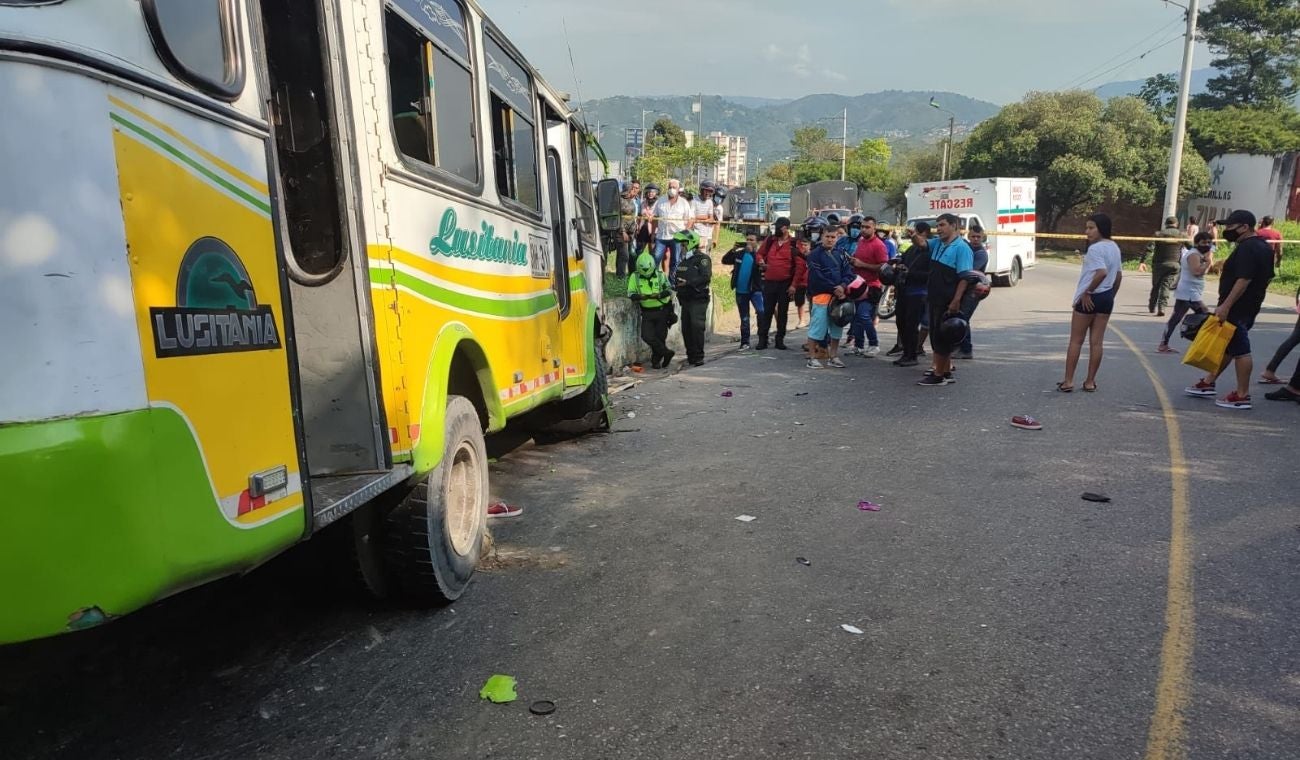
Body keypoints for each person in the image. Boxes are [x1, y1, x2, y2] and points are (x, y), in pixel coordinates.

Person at [1185, 210, 1276, 409]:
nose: (1227, 231)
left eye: (1230, 227)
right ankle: (1208, 382)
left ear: (1244, 227)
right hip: (1250, 305)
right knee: (1228, 346)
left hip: (1237, 307)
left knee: (1241, 350)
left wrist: (1226, 305)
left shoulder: (1247, 248)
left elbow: (1243, 279)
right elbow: (1268, 277)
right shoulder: (1263, 247)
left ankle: (1242, 394)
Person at [1058, 213, 1123, 393]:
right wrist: (1111, 295)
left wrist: (1088, 291)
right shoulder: (1115, 247)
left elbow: (1101, 272)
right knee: (1097, 342)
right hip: (1106, 297)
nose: (1087, 231)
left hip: (1090, 296)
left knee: (1076, 341)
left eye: (1091, 227)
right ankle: (1090, 381)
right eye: (1087, 227)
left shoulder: (1095, 249)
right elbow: (1117, 275)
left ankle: (1069, 380)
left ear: (1101, 228)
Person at [918, 214, 974, 386]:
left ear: (954, 225)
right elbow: (921, 244)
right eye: (937, 225)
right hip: (935, 298)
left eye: (942, 225)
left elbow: (964, 278)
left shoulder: (962, 248)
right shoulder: (938, 243)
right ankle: (946, 371)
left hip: (948, 300)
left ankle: (938, 375)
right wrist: (914, 236)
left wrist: (956, 300)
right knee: (938, 335)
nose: (939, 229)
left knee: (942, 337)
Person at [805, 224, 854, 369]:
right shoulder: (814, 254)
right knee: (817, 328)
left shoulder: (841, 253)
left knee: (837, 327)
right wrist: (835, 288)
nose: (830, 240)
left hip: (839, 297)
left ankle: (834, 356)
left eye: (833, 237)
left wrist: (843, 286)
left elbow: (849, 273)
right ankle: (812, 358)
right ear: (822, 237)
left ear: (837, 237)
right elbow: (817, 276)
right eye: (827, 237)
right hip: (821, 295)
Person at [1156, 233, 1213, 354]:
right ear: (1197, 243)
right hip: (1189, 292)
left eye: (1209, 242)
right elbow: (1196, 271)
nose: (1207, 245)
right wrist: (1208, 262)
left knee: (1176, 318)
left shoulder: (1198, 254)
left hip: (1189, 290)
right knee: (1206, 317)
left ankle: (1164, 344)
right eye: (1204, 242)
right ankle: (1203, 345)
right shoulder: (1193, 255)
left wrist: (1207, 261)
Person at [846, 216, 889, 357]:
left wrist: (862, 264)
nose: (863, 229)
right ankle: (858, 345)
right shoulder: (861, 241)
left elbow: (884, 268)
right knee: (856, 317)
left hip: (872, 286)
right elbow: (859, 261)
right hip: (857, 285)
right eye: (862, 227)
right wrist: (853, 262)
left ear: (874, 228)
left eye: (867, 227)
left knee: (864, 315)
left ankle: (873, 344)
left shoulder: (879, 245)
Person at [755, 217, 799, 350]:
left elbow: (800, 266)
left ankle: (780, 339)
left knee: (782, 312)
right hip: (769, 282)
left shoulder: (794, 244)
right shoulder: (770, 241)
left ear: (786, 228)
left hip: (785, 283)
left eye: (779, 227)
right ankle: (763, 339)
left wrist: (794, 285)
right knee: (766, 311)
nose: (776, 229)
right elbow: (759, 254)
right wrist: (761, 262)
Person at [891, 224, 931, 366]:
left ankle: (912, 355)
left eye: (917, 234)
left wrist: (911, 273)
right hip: (904, 290)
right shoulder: (911, 249)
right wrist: (900, 266)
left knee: (911, 325)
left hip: (919, 292)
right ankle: (906, 352)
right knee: (901, 322)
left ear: (925, 234)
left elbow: (930, 275)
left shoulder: (930, 252)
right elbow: (902, 261)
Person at [627, 250, 675, 368]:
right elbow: (630, 293)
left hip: (662, 310)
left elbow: (669, 289)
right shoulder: (635, 276)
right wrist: (640, 296)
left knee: (660, 337)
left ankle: (656, 361)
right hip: (647, 312)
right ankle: (666, 353)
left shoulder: (660, 274)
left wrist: (658, 295)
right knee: (647, 336)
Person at [673, 229, 712, 367]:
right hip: (686, 300)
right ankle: (691, 356)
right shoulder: (683, 262)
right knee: (686, 329)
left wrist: (688, 283)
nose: (682, 247)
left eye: (683, 244)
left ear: (690, 243)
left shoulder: (702, 259)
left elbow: (705, 277)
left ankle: (698, 357)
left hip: (698, 299)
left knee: (697, 327)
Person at [722, 232, 765, 350]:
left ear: (757, 242)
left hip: (755, 290)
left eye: (752, 240)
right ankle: (745, 342)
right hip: (741, 291)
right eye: (747, 239)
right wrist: (733, 249)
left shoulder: (758, 256)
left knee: (761, 312)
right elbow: (725, 260)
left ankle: (763, 338)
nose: (749, 242)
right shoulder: (739, 254)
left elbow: (765, 268)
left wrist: (762, 265)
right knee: (744, 317)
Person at [953, 224, 989, 360]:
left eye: (978, 237)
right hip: (965, 288)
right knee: (958, 317)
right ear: (968, 236)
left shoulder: (981, 254)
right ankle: (958, 346)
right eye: (973, 236)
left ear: (982, 237)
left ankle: (966, 349)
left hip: (975, 290)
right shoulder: (966, 247)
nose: (975, 239)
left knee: (963, 318)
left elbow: (968, 272)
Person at [1139, 216, 1184, 317]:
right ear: (1176, 224)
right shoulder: (1181, 235)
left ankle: (1152, 306)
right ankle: (1162, 307)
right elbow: (1192, 247)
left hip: (1159, 265)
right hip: (1174, 264)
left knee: (1156, 286)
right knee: (1166, 286)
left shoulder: (1158, 234)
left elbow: (1149, 249)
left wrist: (1143, 262)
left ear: (1166, 224)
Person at [652, 179, 694, 275]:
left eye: (674, 187)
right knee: (656, 259)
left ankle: (672, 283)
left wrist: (685, 233)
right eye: (670, 187)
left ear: (678, 189)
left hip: (677, 237)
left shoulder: (684, 203)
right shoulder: (660, 200)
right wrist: (653, 233)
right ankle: (654, 280)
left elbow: (691, 219)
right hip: (661, 236)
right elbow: (655, 217)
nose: (671, 189)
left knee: (675, 261)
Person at [612, 180, 641, 278]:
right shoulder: (619, 200)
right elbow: (617, 217)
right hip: (621, 232)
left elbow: (632, 216)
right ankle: (621, 276)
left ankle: (621, 274)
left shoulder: (631, 200)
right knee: (624, 255)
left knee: (624, 254)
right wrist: (623, 232)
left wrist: (634, 229)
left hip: (630, 233)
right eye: (631, 189)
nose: (633, 191)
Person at [692, 181, 719, 254]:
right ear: (701, 190)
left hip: (705, 234)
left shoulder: (710, 202)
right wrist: (705, 218)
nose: (708, 193)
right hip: (694, 232)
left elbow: (711, 219)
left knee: (704, 257)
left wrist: (698, 219)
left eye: (710, 191)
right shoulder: (694, 200)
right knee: (692, 256)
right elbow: (691, 217)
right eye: (706, 190)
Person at [792, 232, 811, 333]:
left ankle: (813, 320)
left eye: (806, 245)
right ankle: (801, 320)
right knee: (800, 302)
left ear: (810, 246)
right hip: (799, 283)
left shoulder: (813, 255)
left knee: (812, 303)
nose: (803, 247)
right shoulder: (796, 255)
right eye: (802, 245)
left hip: (811, 283)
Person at [634, 184, 659, 257]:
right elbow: (639, 216)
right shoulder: (643, 203)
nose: (650, 193)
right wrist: (638, 227)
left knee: (653, 252)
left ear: (656, 193)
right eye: (648, 192)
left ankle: (653, 267)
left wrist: (652, 216)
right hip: (643, 230)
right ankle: (637, 266)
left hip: (654, 231)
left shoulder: (659, 204)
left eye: (653, 192)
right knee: (639, 251)